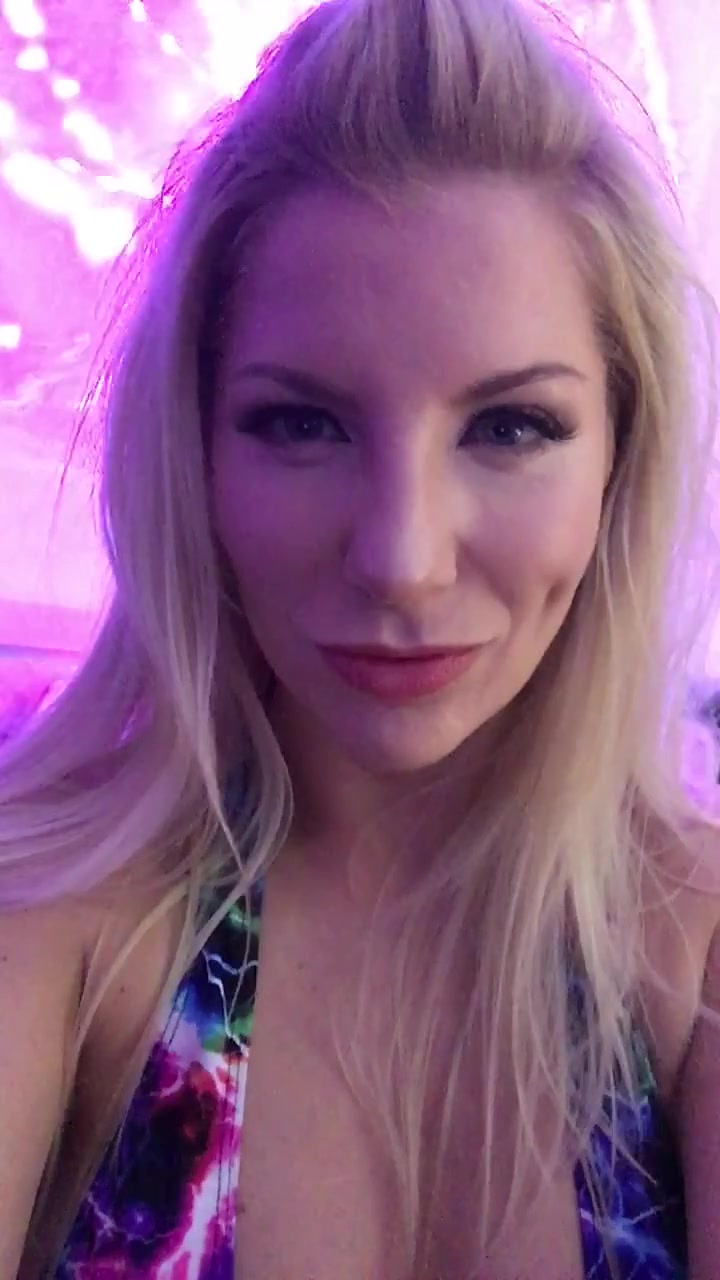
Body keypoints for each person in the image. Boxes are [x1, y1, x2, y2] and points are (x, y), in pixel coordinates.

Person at [2, 0, 720, 1275]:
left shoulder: (695, 952)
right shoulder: (55, 932)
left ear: (623, 454)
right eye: (302, 424)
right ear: (196, 452)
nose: (402, 556)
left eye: (510, 427)